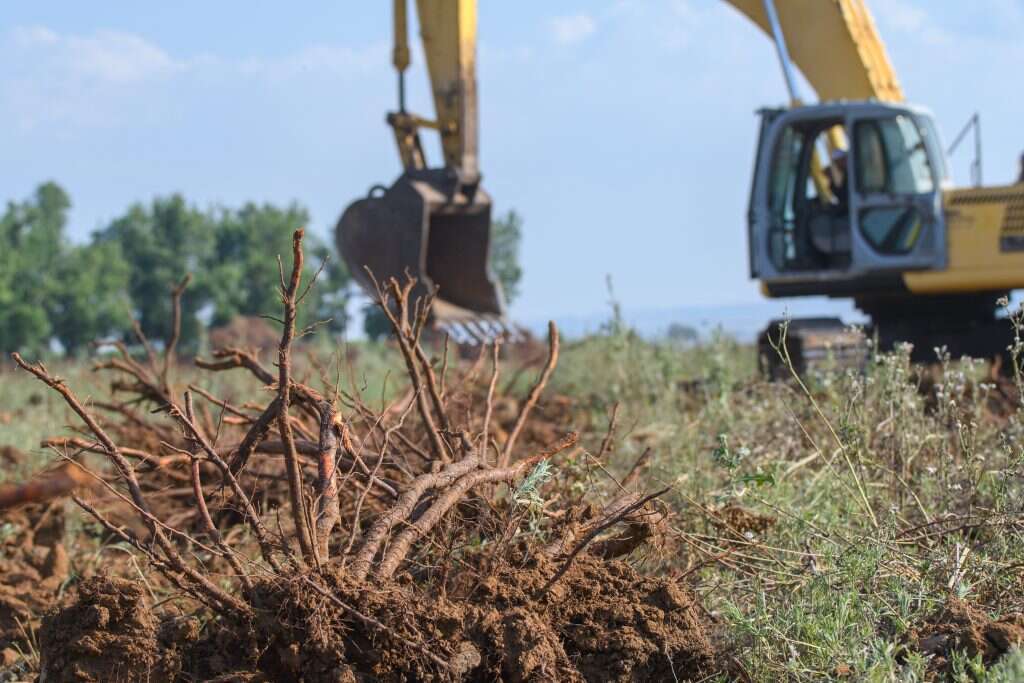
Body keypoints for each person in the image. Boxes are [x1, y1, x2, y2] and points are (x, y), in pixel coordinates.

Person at [829, 148, 850, 212]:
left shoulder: (850, 175)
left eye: (838, 162)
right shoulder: (846, 174)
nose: (837, 165)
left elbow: (843, 196)